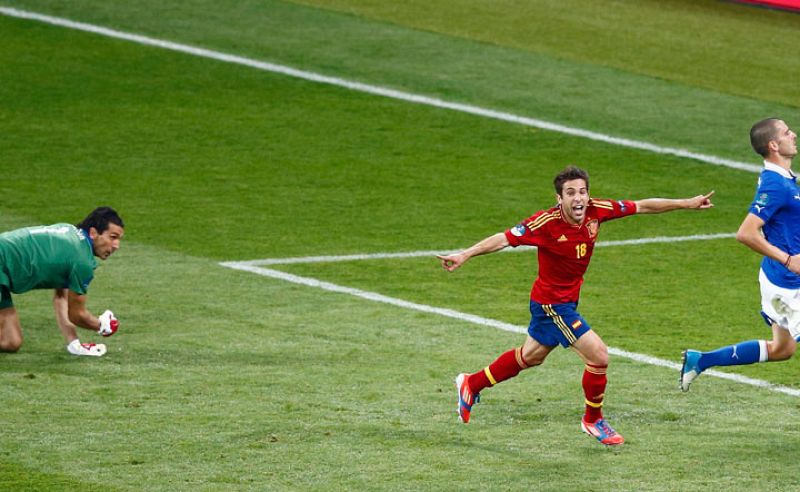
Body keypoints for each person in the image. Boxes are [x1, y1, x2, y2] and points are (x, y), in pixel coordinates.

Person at [437, 166, 714, 446]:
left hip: (564, 300)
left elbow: (642, 206)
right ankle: (593, 420)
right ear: (560, 198)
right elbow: (504, 238)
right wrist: (466, 254)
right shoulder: (544, 223)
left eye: (582, 192)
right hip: (552, 305)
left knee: (530, 357)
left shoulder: (597, 210)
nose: (578, 198)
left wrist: (686, 204)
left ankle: (471, 383)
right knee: (599, 356)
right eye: (570, 193)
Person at [681, 118, 800, 391]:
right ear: (773, 145)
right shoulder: (775, 185)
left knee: (782, 349)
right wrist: (788, 259)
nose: (793, 134)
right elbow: (746, 233)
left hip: (780, 278)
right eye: (786, 132)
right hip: (788, 283)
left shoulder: (783, 179)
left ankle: (701, 360)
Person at [0, 206, 124, 357]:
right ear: (93, 233)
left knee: (11, 341)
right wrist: (102, 325)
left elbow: (61, 297)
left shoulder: (70, 232)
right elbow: (77, 315)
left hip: (3, 274)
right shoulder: (82, 262)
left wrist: (74, 343)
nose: (117, 245)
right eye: (113, 237)